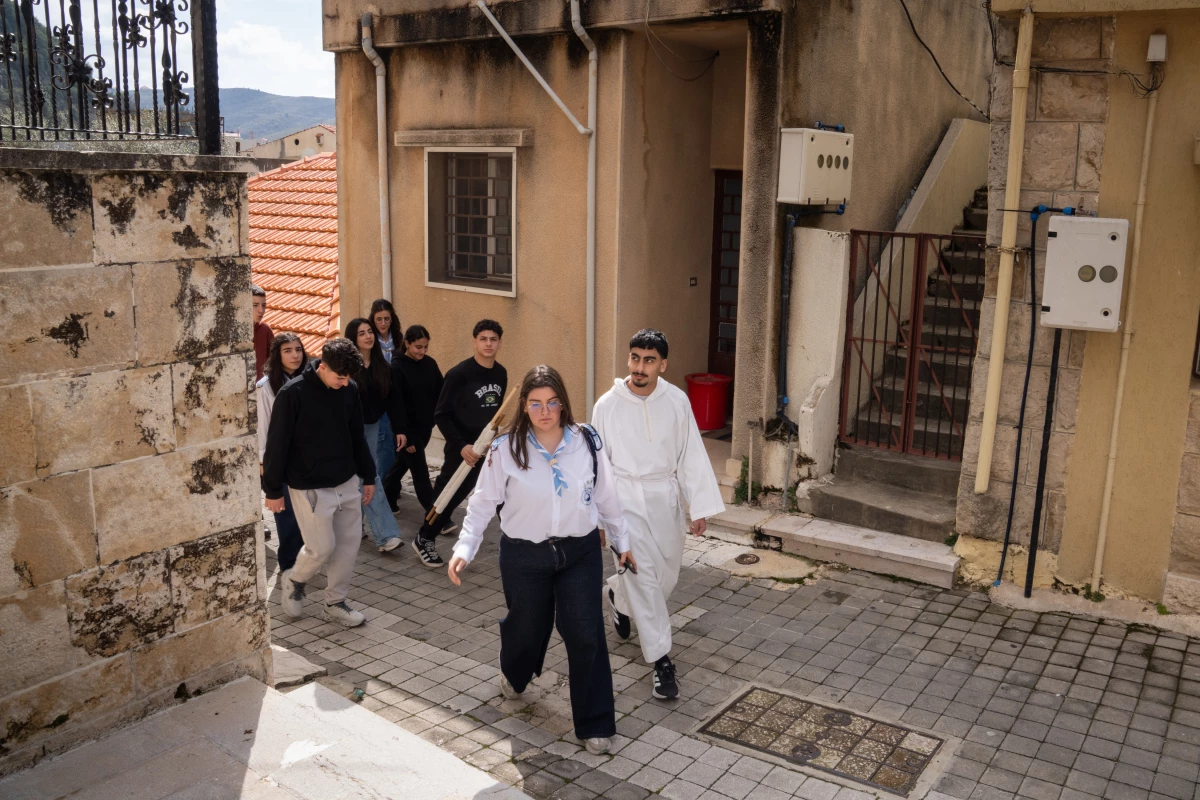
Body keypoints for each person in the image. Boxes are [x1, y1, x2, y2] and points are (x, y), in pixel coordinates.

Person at [447, 365, 636, 755]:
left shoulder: (587, 442)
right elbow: (483, 503)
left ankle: (595, 722)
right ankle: (515, 674)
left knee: (585, 633)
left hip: (579, 552)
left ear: (564, 404)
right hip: (524, 555)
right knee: (527, 628)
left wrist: (622, 540)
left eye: (552, 403)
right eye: (536, 404)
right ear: (525, 406)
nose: (545, 411)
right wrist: (465, 547)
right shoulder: (505, 449)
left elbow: (607, 497)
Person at [591, 328, 726, 700]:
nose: (640, 367)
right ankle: (662, 661)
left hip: (664, 498)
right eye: (635, 358)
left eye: (649, 360)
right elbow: (597, 467)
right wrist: (598, 518)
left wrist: (697, 505)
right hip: (623, 502)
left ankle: (617, 597)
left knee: (664, 579)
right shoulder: (607, 406)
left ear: (662, 365)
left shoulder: (677, 401)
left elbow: (691, 455)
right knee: (645, 580)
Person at [263, 337, 377, 628]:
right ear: (323, 367)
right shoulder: (292, 394)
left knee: (348, 547)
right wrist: (273, 490)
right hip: (309, 486)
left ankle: (335, 603)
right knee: (321, 548)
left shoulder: (348, 389)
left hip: (347, 481)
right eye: (340, 376)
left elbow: (357, 436)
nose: (345, 382)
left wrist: (368, 476)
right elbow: (277, 445)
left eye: (349, 377)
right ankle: (295, 579)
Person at [412, 319, 507, 567]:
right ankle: (424, 537)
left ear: (499, 343)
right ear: (475, 341)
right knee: (448, 496)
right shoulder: (459, 374)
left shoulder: (501, 373)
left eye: (493, 339)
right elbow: (441, 414)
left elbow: (494, 415)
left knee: (500, 494)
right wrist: (462, 445)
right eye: (483, 339)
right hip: (461, 450)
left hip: (487, 450)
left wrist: (495, 438)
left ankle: (515, 542)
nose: (488, 344)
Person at [345, 318, 407, 554]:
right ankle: (382, 534)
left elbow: (394, 399)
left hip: (371, 427)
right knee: (362, 478)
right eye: (362, 333)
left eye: (370, 332)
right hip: (347, 429)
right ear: (353, 338)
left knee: (367, 477)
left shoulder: (383, 366)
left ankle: (371, 531)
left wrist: (400, 428)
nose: (368, 336)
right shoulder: (347, 367)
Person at [257, 333, 307, 570]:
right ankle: (289, 565)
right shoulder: (266, 387)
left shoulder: (311, 379)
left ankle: (305, 560)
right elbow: (263, 427)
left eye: (298, 349)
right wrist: (264, 463)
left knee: (308, 515)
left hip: (308, 460)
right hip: (280, 461)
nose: (295, 355)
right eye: (288, 350)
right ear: (277, 355)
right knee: (286, 516)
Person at [383, 325, 443, 513]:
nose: (422, 351)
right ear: (407, 344)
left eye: (425, 347)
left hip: (425, 428)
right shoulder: (397, 367)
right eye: (418, 347)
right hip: (407, 431)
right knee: (420, 473)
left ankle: (385, 498)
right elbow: (396, 404)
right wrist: (405, 434)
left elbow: (440, 392)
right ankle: (436, 516)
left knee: (401, 465)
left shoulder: (430, 364)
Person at [369, 299, 403, 494]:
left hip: (396, 394)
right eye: (379, 319)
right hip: (379, 396)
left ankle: (393, 486)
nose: (383, 323)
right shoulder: (370, 337)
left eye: (387, 319)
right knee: (382, 444)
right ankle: (383, 487)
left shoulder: (398, 338)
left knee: (396, 442)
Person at [251, 284, 273, 380]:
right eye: (255, 305)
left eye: (263, 305)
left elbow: (273, 362)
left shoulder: (265, 330)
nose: (261, 310)